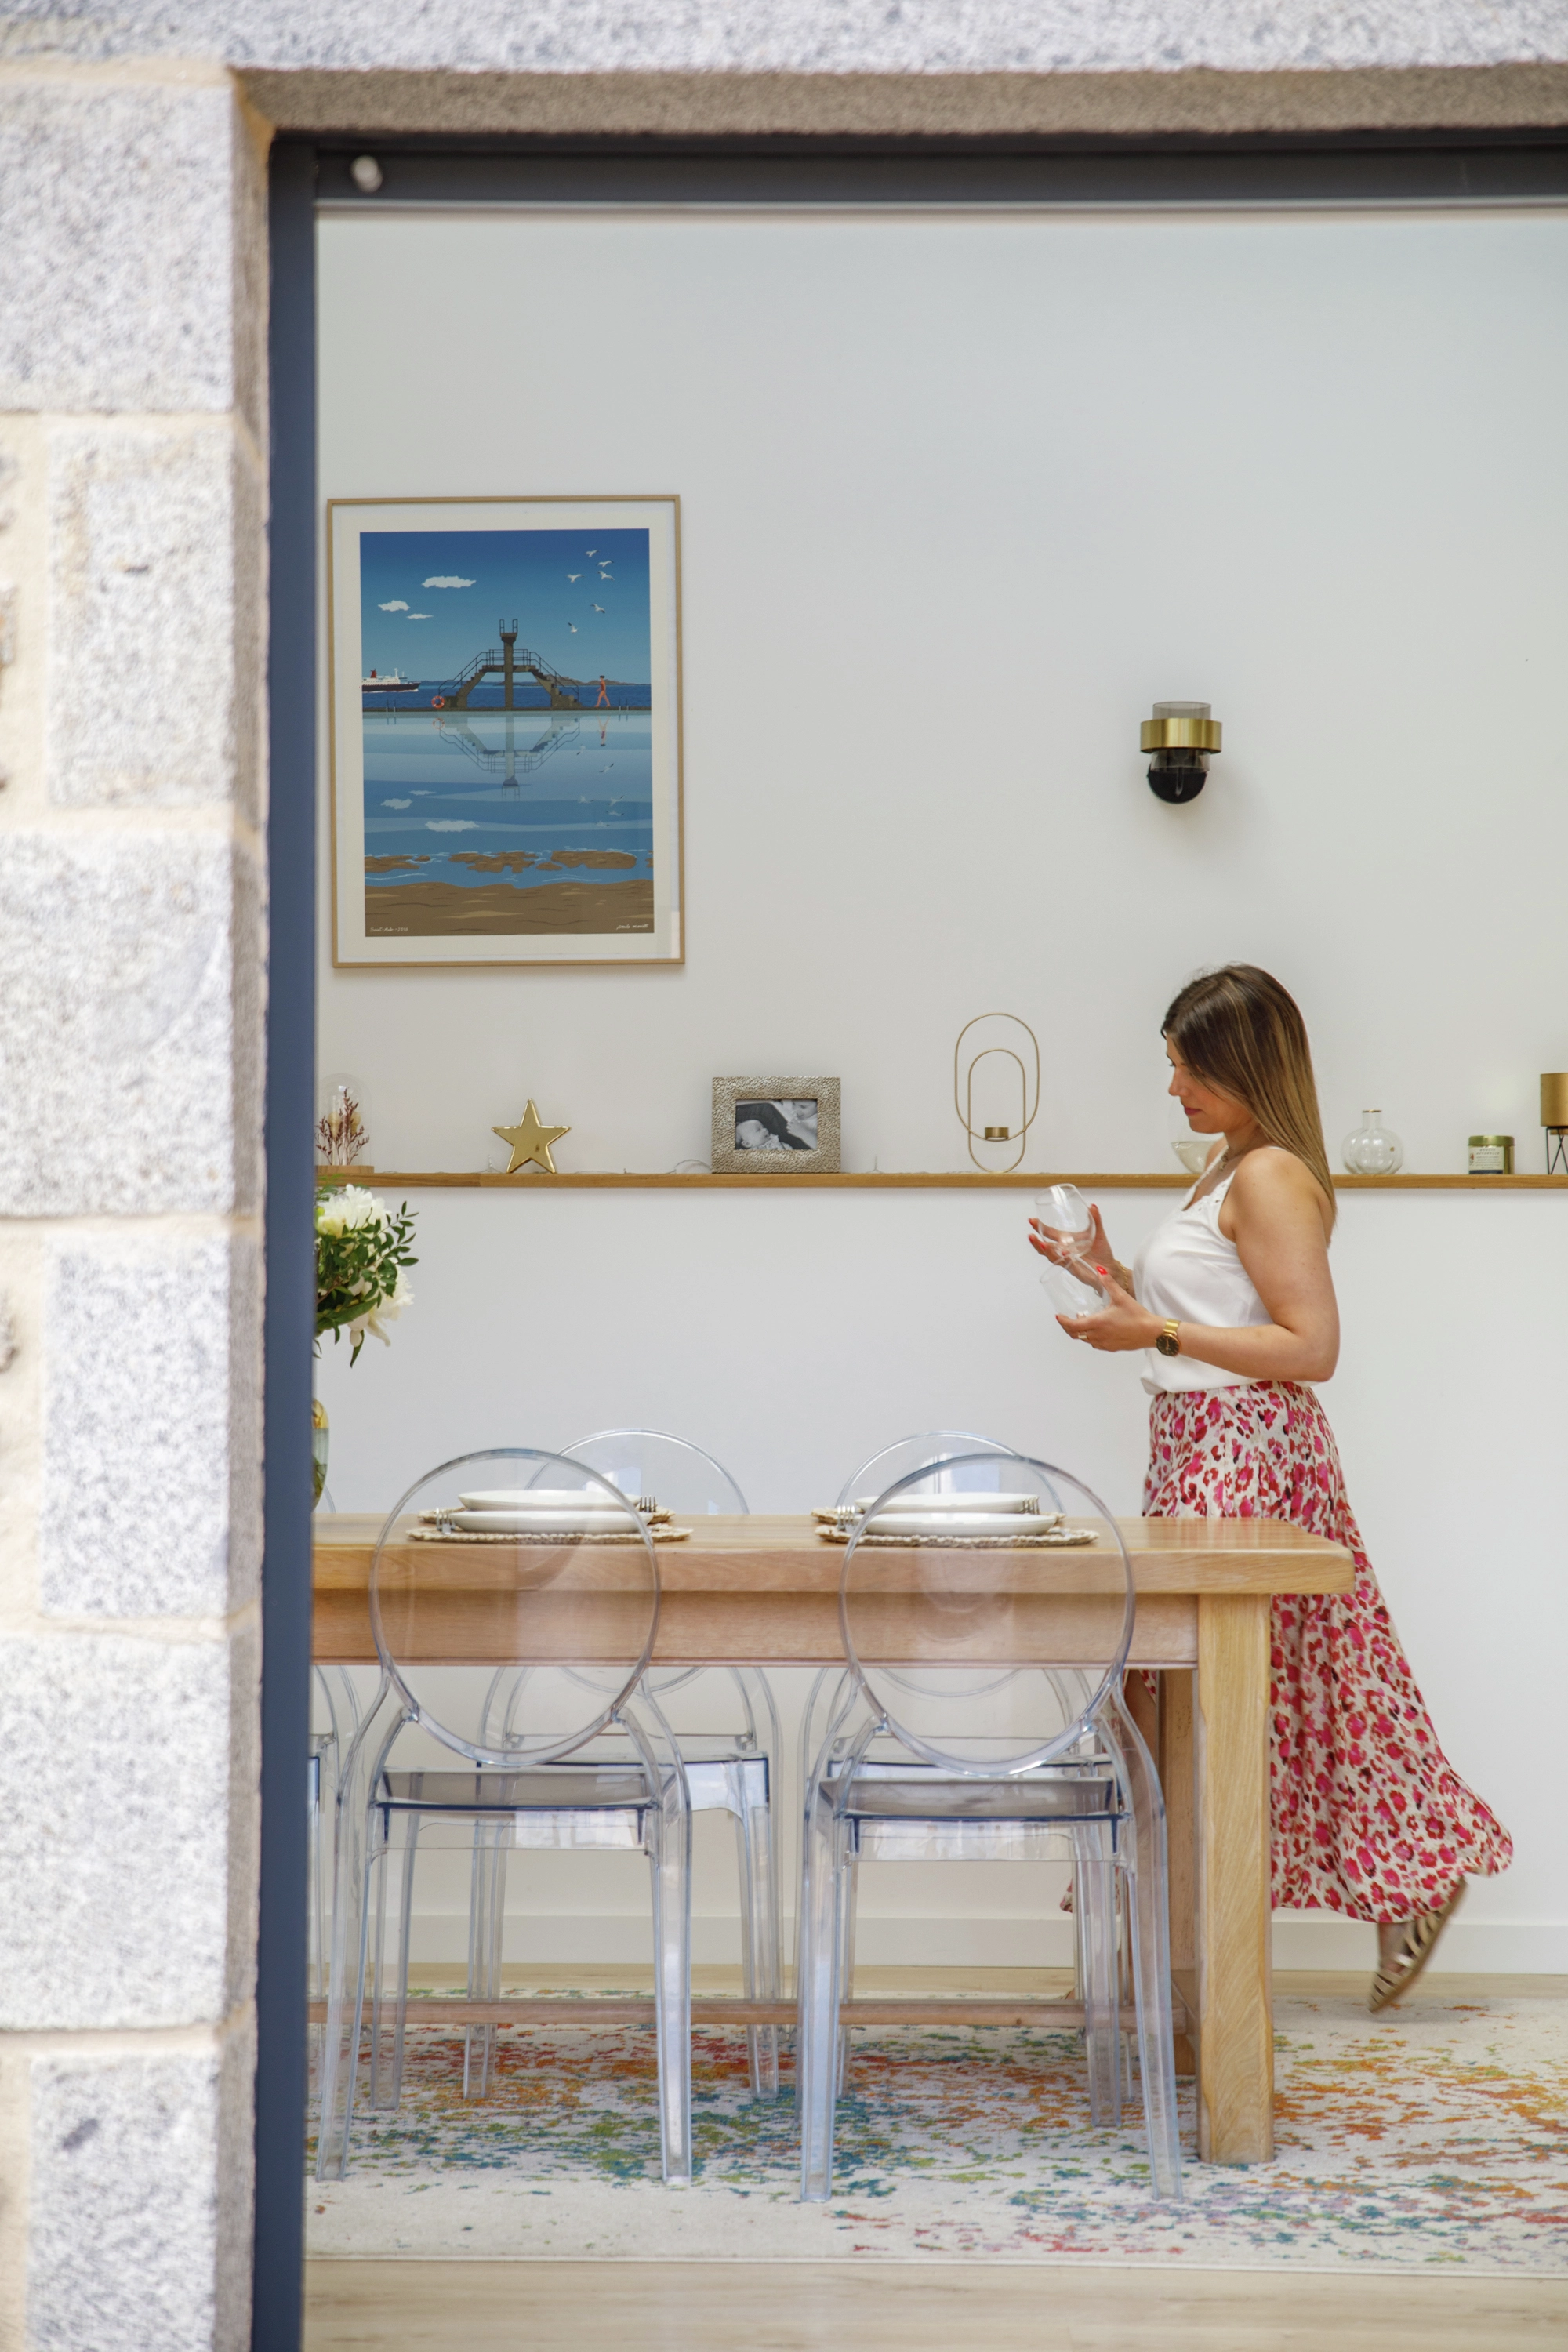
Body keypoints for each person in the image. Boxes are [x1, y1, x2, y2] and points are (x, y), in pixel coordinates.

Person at [1029, 964, 1511, 2010]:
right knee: (1244, 1683)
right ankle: (1181, 1938)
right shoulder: (1223, 1162)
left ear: (1247, 1065)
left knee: (1230, 1686)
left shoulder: (1272, 1174)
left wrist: (1146, 1324)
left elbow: (1312, 1344)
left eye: (1190, 1066)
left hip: (1246, 1451)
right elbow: (1203, 1322)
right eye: (1171, 1066)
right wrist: (1110, 1279)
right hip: (1200, 1440)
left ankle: (1180, 1948)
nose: (1174, 1088)